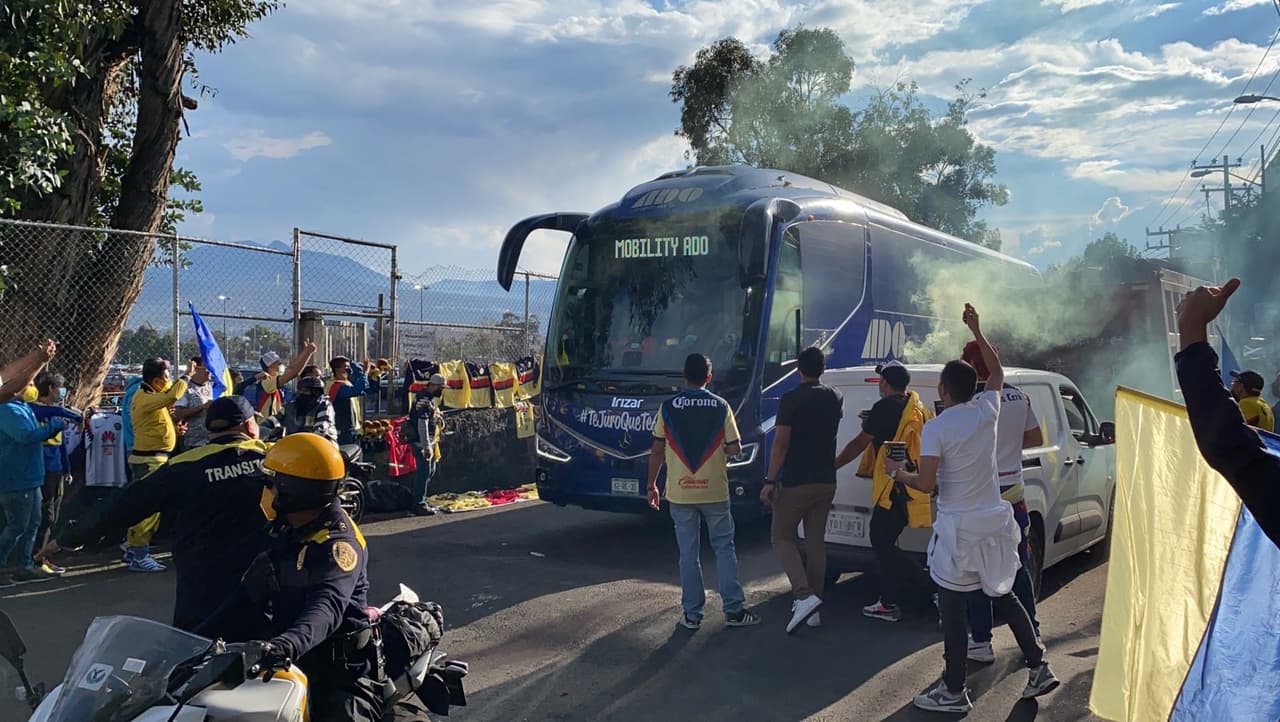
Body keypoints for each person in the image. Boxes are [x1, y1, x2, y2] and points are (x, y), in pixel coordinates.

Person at [885, 304, 1058, 712]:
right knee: (1003, 593)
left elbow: (926, 484)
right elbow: (996, 373)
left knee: (952, 606)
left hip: (958, 530)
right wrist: (978, 330)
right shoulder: (987, 411)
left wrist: (899, 474)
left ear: (944, 391)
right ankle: (1038, 666)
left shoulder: (936, 428)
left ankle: (953, 690)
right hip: (994, 522)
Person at [197, 433, 408, 721]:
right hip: (287, 661)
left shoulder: (338, 545)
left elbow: (327, 607)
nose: (265, 490)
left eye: (270, 482)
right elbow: (242, 599)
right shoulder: (288, 531)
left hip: (338, 671)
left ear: (293, 490)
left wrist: (286, 644)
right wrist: (192, 644)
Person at [40, 396, 272, 630]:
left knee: (196, 652)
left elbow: (122, 506)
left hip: (201, 585)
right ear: (249, 426)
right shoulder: (274, 458)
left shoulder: (182, 466)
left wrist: (68, 537)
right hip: (266, 583)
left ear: (208, 428)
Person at [645, 353, 761, 630]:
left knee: (688, 554)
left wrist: (652, 485)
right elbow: (735, 447)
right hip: (715, 491)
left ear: (684, 376)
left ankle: (692, 615)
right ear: (709, 377)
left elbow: (657, 450)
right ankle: (734, 611)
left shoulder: (668, 407)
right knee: (724, 548)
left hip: (680, 492)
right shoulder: (721, 406)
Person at [1175, 278, 1280, 549]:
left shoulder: (1248, 408)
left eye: (1236, 383)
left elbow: (1229, 444)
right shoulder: (1266, 407)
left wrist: (1191, 328)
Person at [960, 341, 1044, 663]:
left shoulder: (974, 404)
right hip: (1015, 492)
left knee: (978, 569)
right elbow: (1036, 439)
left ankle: (981, 641)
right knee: (1018, 563)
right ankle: (1032, 632)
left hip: (983, 492)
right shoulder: (1020, 397)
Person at [834, 360, 933, 623]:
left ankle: (917, 590)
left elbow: (858, 444)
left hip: (894, 487)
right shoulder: (918, 406)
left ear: (886, 384)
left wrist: (833, 465)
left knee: (881, 539)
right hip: (909, 484)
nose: (880, 385)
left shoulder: (885, 407)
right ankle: (907, 593)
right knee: (884, 540)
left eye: (881, 381)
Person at [761, 346, 842, 633]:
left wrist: (771, 480)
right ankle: (814, 607)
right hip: (826, 480)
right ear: (822, 368)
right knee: (815, 542)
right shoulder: (835, 396)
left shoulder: (791, 399)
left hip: (797, 480)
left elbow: (781, 443)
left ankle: (803, 596)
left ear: (798, 369)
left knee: (781, 536)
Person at [125, 357, 189, 573]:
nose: (169, 379)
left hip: (157, 458)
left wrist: (174, 430)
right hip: (147, 461)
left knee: (151, 507)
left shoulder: (153, 396)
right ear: (155, 379)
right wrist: (187, 376)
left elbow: (162, 415)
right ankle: (139, 554)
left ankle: (133, 549)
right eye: (166, 375)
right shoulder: (143, 397)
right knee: (147, 508)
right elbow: (174, 394)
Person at [0, 382, 66, 587]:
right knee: (17, 526)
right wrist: (55, 425)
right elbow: (26, 436)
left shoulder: (23, 407)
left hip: (31, 477)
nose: (32, 386)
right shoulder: (7, 410)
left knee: (32, 524)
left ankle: (24, 565)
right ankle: (3, 567)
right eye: (28, 383)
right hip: (16, 479)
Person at [29, 372, 84, 575]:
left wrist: (67, 468)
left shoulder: (55, 412)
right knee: (45, 514)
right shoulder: (35, 410)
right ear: (51, 388)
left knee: (55, 513)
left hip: (57, 468)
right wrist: (75, 416)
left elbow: (60, 444)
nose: (63, 392)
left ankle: (45, 555)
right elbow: (52, 414)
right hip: (43, 467)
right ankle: (36, 558)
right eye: (60, 388)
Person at [405, 373, 445, 516]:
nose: (442, 390)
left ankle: (418, 499)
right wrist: (426, 447)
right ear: (433, 385)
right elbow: (423, 424)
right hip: (421, 441)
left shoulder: (428, 398)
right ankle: (418, 504)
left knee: (429, 471)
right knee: (424, 472)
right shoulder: (424, 399)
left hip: (427, 441)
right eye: (441, 387)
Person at [247, 341, 317, 418]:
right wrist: (308, 352)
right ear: (270, 366)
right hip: (265, 423)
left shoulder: (275, 377)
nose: (281, 365)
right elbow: (294, 373)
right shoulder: (267, 381)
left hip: (274, 422)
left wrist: (306, 351)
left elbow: (291, 367)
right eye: (278, 363)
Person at [279, 376, 338, 444]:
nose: (302, 393)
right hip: (294, 447)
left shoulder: (324, 406)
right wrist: (267, 430)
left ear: (316, 392)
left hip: (323, 445)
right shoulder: (290, 406)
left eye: (306, 391)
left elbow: (322, 426)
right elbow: (274, 420)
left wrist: (304, 440)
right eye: (300, 390)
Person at [329, 356, 371, 445]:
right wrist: (366, 372)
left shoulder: (346, 382)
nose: (349, 369)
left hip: (351, 428)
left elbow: (361, 380)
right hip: (342, 430)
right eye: (346, 367)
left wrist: (352, 362)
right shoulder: (336, 386)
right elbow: (357, 389)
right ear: (337, 369)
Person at [174, 362, 215, 450]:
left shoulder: (208, 386)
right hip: (192, 441)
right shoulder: (185, 388)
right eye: (206, 368)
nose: (209, 371)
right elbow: (176, 414)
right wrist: (202, 407)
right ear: (196, 369)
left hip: (208, 439)